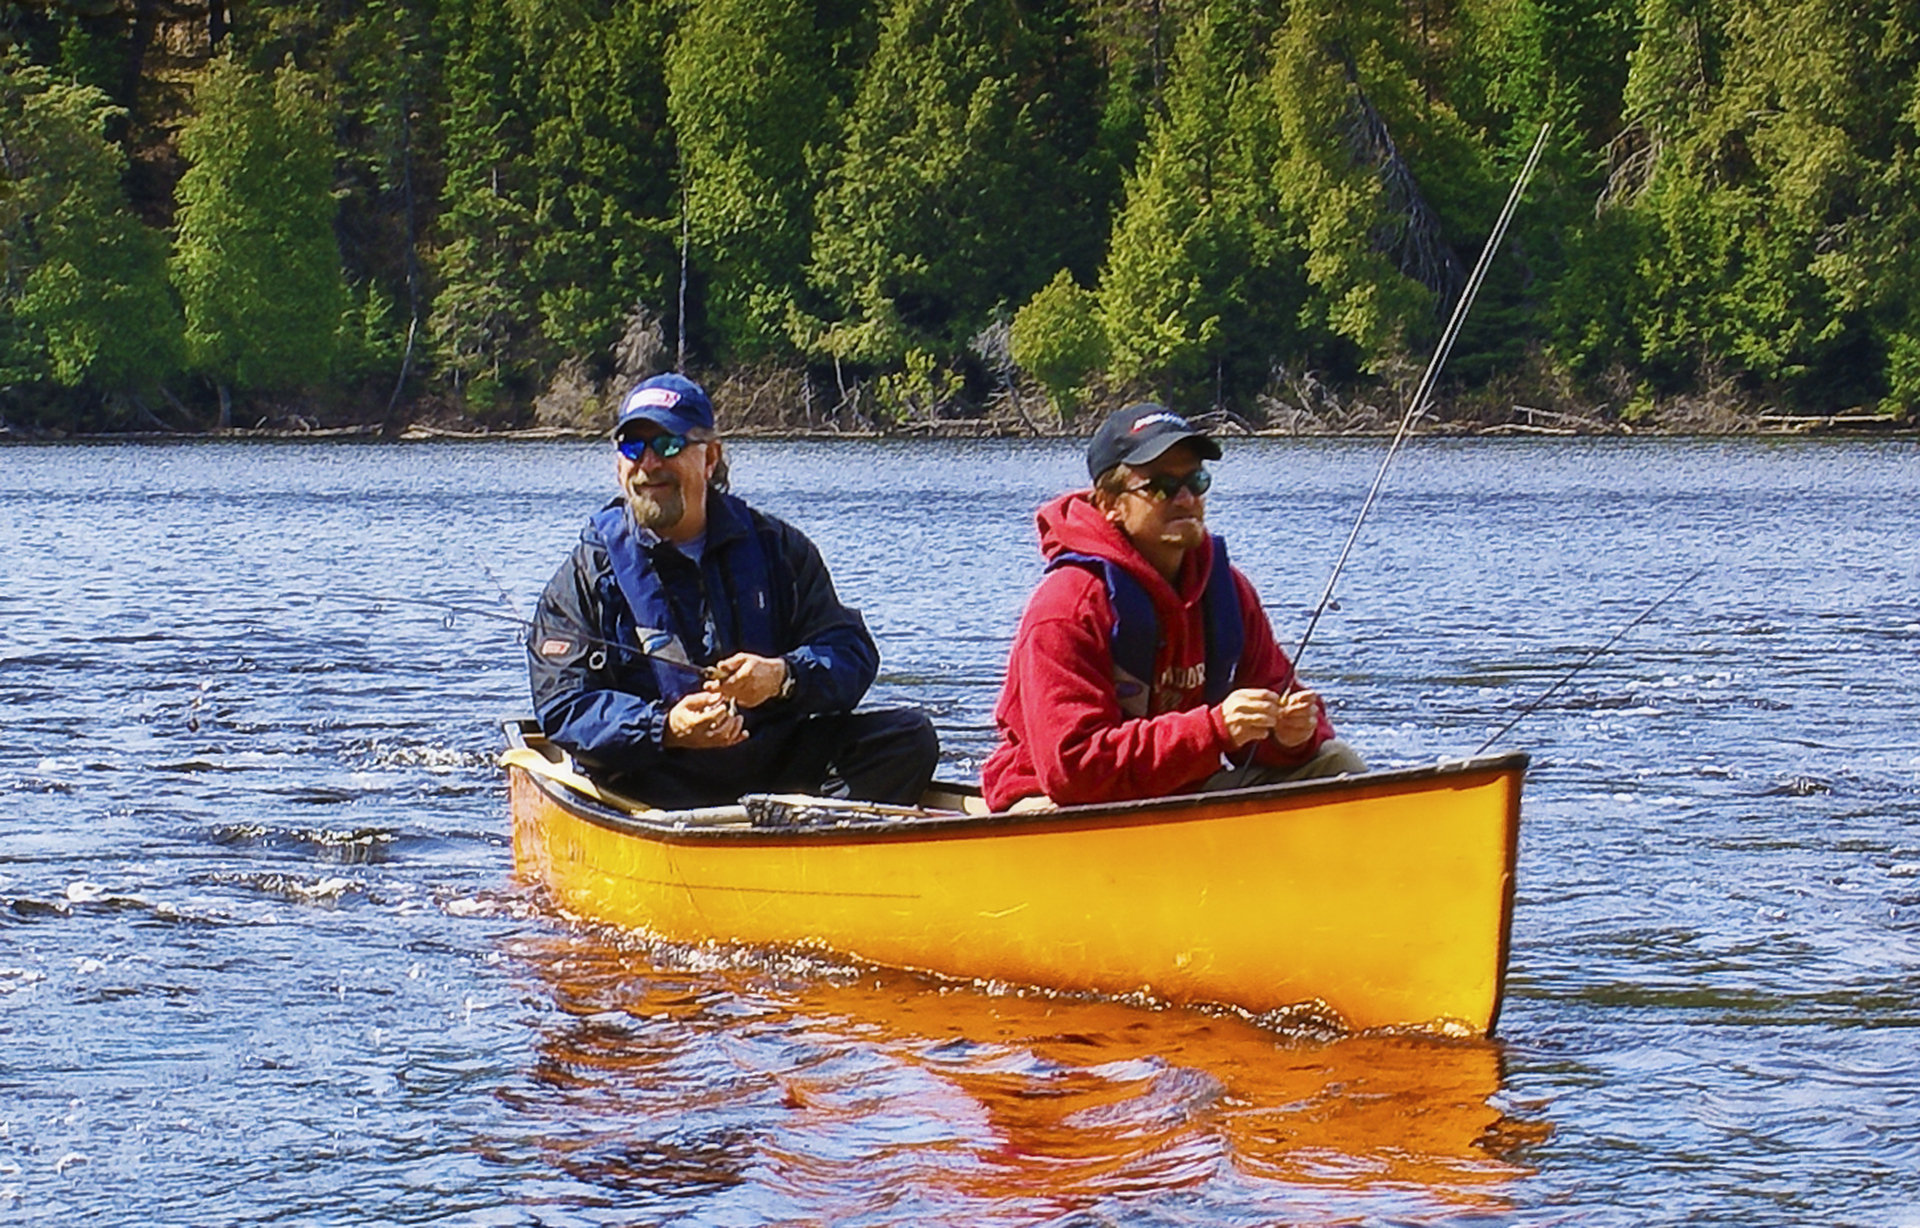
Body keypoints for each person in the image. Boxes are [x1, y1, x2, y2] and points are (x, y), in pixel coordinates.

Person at [527, 373, 939, 810]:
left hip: (769, 758)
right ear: (618, 464)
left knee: (908, 738)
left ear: (711, 458)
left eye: (667, 445)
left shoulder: (780, 549)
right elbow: (564, 705)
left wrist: (783, 677)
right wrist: (664, 727)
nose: (649, 464)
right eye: (633, 447)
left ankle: (806, 839)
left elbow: (850, 653)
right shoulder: (584, 575)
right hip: (653, 777)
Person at [982, 402, 1365, 811]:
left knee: (1334, 762)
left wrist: (1291, 736)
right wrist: (1214, 729)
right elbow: (1073, 772)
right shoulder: (1066, 606)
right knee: (1057, 809)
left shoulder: (1228, 591)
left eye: (1196, 481)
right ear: (1110, 504)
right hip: (1055, 802)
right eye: (1161, 486)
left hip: (1177, 793)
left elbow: (1274, 697)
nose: (1185, 499)